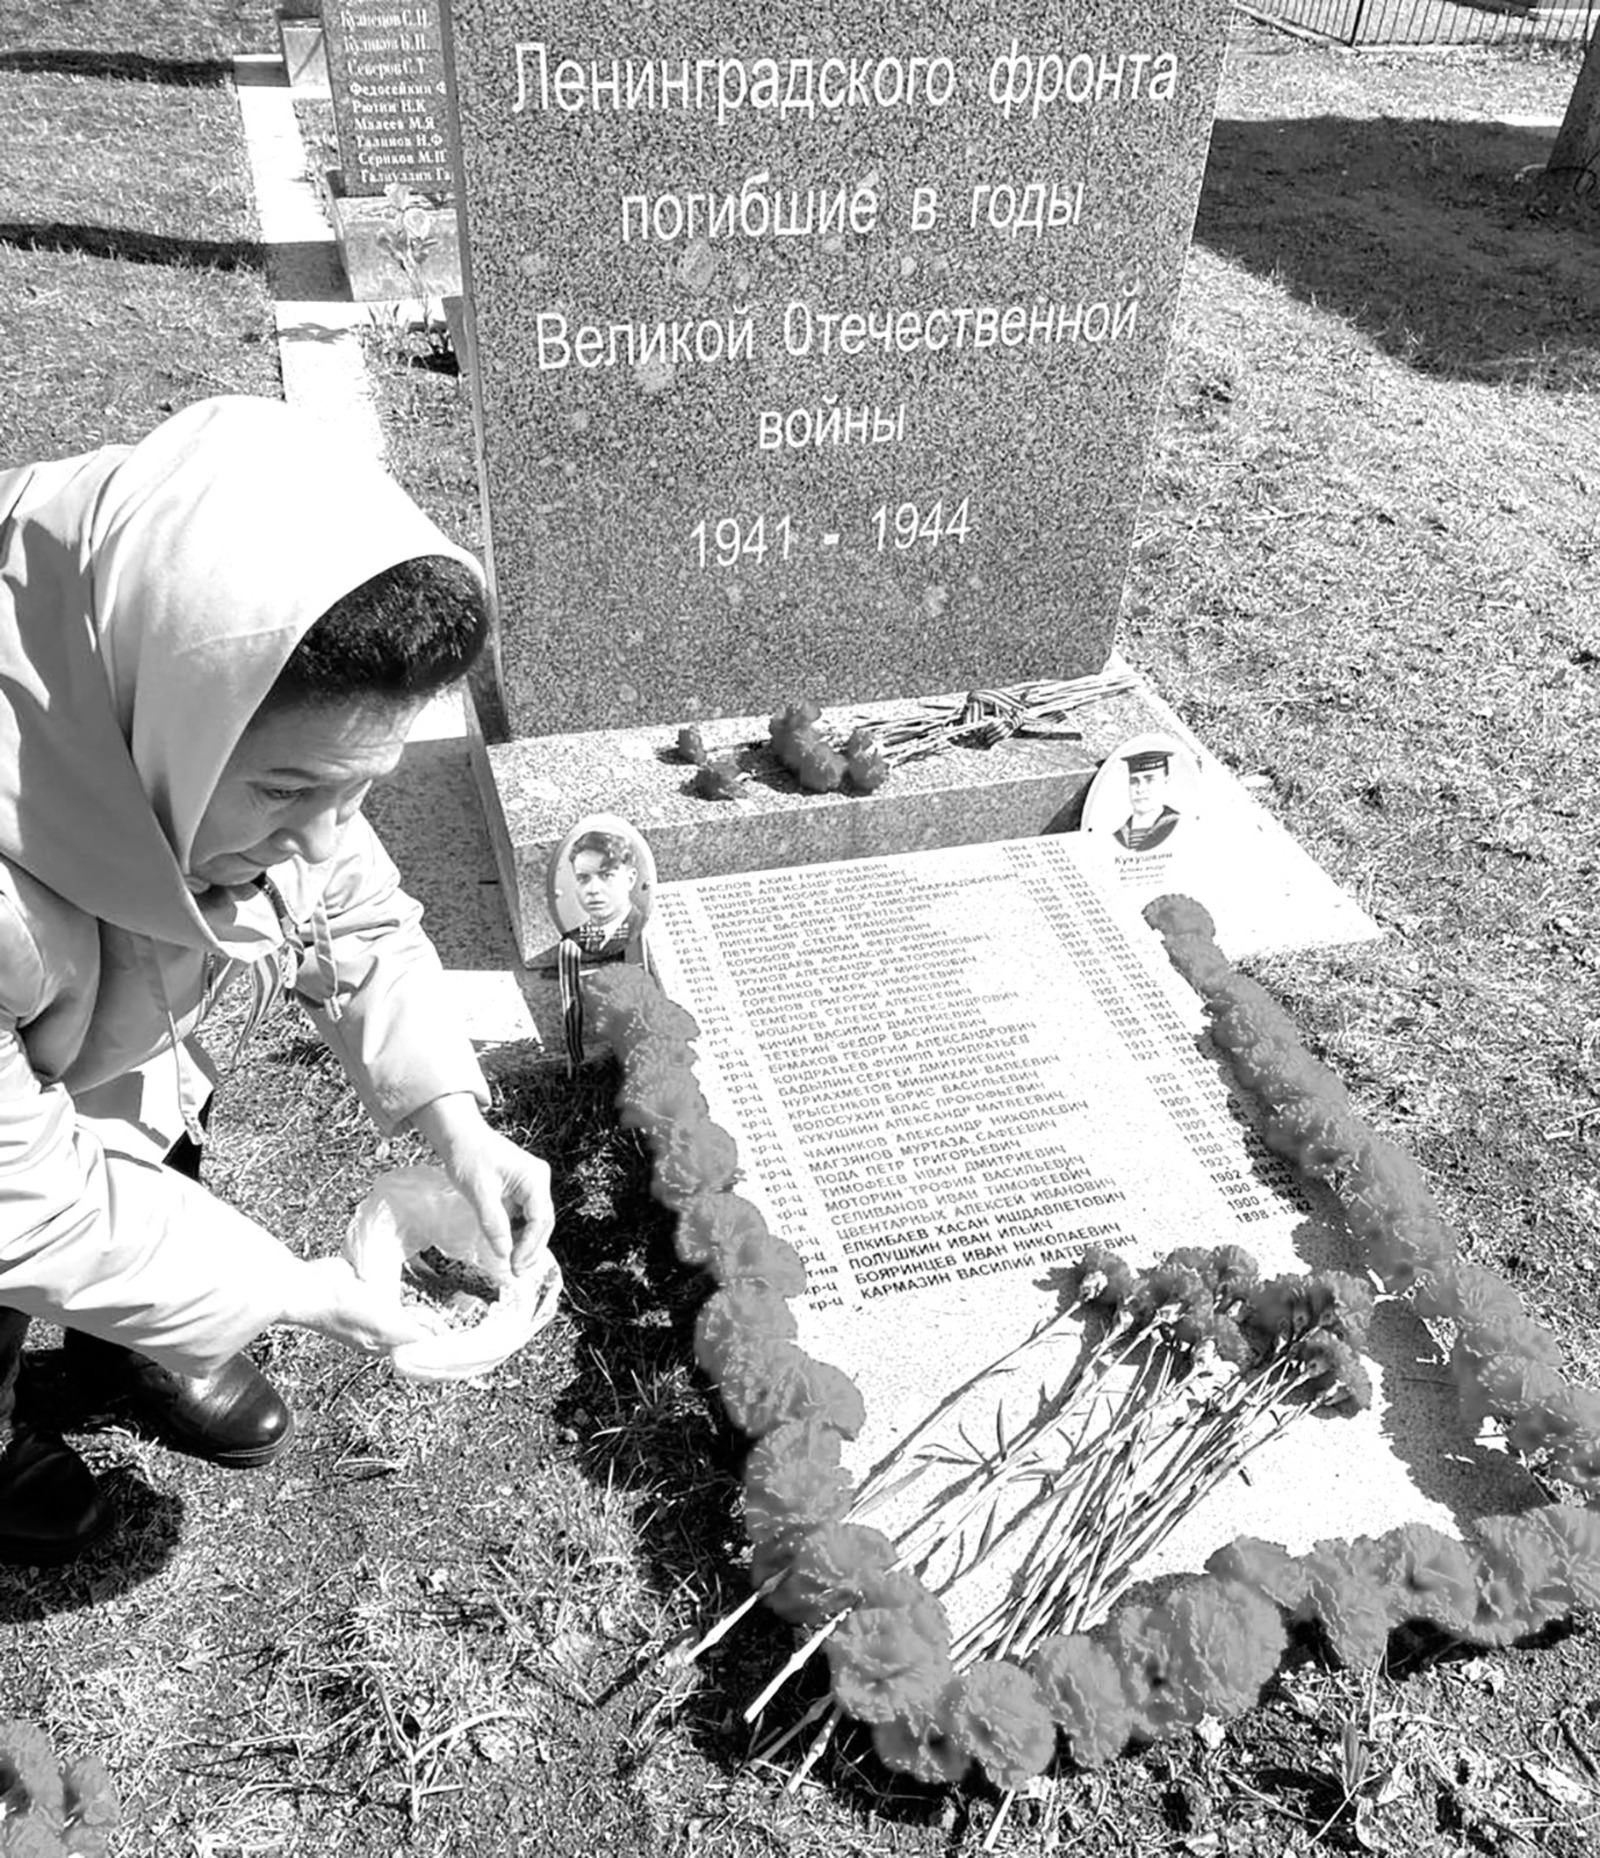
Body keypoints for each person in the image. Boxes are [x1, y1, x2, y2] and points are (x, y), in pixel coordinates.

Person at [0, 396, 555, 1566]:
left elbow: (351, 909)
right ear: (162, 704)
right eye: (289, 791)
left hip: (114, 1038)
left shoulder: (217, 683)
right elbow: (21, 1197)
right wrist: (289, 1291)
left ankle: (137, 1336)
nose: (319, 836)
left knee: (158, 1133)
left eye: (357, 787)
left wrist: (455, 1122)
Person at [562, 829, 647, 961]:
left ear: (630, 880)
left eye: (606, 876)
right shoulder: (570, 941)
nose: (593, 890)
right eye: (583, 878)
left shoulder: (645, 929)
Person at [1113, 749, 1181, 852]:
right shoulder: (1118, 837)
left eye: (1149, 780)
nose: (1140, 789)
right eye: (1134, 781)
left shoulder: (1178, 827)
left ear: (1165, 782)